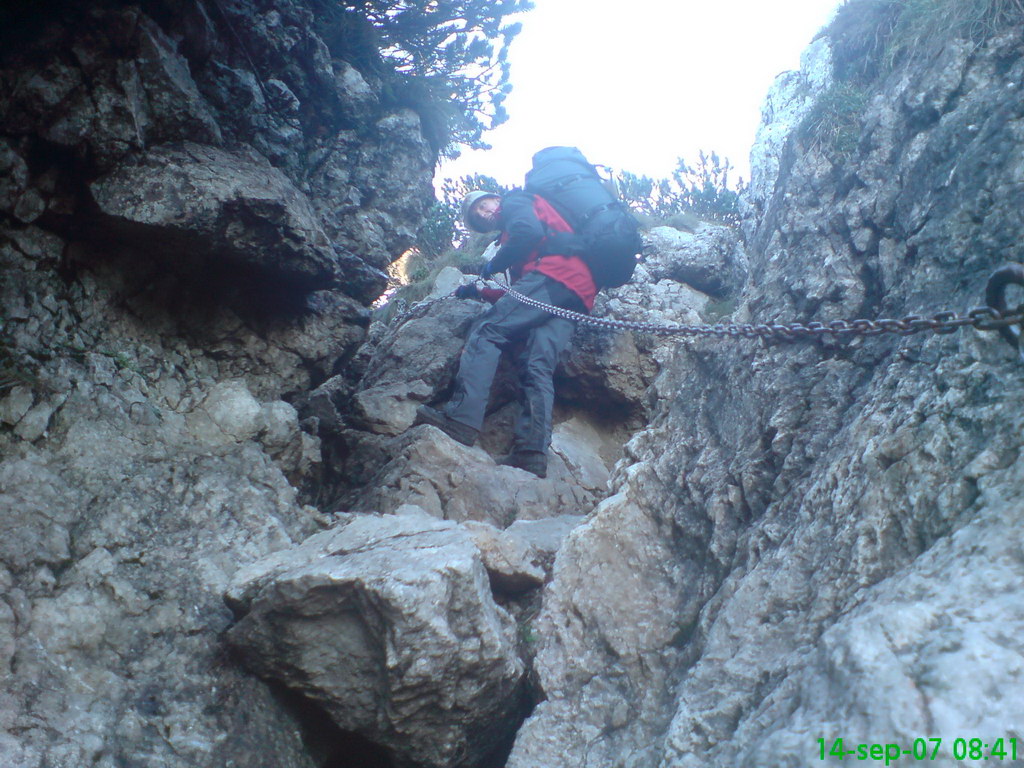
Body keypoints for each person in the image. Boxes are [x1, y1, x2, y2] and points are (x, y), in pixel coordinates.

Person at [413, 188, 597, 478]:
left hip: (553, 277)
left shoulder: (516, 202)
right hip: (576, 291)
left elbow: (527, 233)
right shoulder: (530, 226)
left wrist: (492, 265)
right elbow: (525, 299)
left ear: (496, 198)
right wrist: (479, 291)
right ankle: (531, 454)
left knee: (486, 330)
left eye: (484, 206)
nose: (486, 214)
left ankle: (460, 421)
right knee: (535, 365)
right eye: (479, 216)